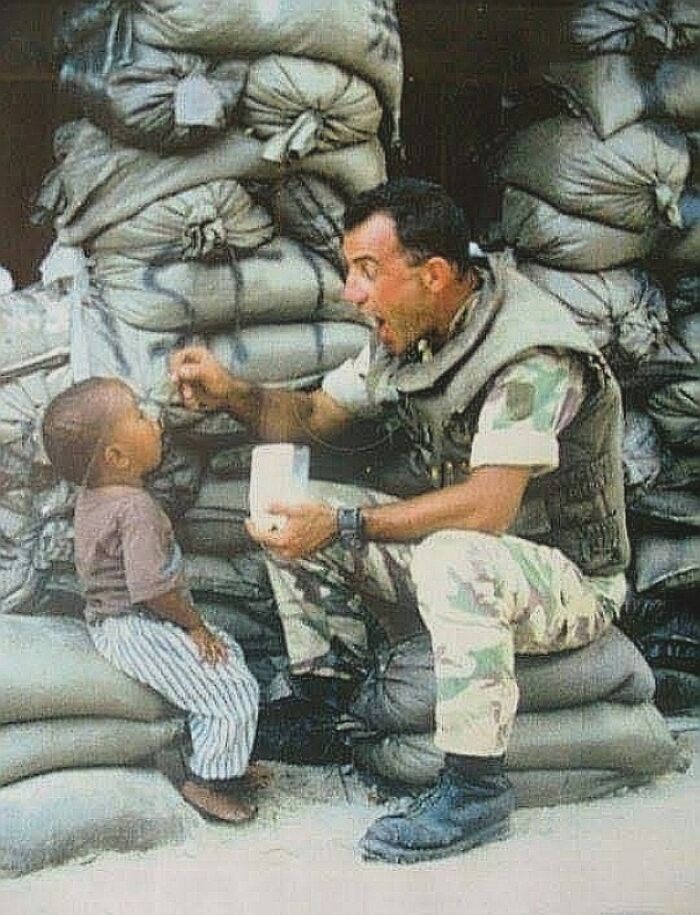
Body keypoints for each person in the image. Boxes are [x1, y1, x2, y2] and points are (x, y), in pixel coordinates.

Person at [169, 177, 630, 863]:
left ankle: (476, 788)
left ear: (435, 274)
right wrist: (230, 391)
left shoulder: (531, 356)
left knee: (449, 552)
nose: (351, 292)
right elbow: (314, 417)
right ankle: (329, 699)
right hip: (481, 555)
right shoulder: (409, 331)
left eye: (366, 270)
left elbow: (487, 507)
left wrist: (348, 525)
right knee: (292, 508)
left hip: (565, 577)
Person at [41, 376, 263, 823]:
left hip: (124, 623)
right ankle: (207, 781)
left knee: (227, 655)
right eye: (141, 417)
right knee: (232, 691)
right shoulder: (135, 509)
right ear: (117, 457)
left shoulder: (96, 495)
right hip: (135, 626)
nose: (156, 421)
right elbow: (153, 588)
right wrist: (194, 626)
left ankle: (223, 759)